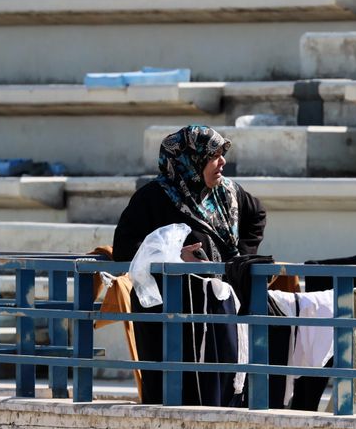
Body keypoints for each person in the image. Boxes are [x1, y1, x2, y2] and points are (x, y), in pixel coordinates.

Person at [113, 125, 267, 406]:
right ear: (190, 160)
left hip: (216, 308)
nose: (222, 162)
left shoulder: (226, 193)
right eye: (213, 156)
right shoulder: (153, 198)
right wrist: (172, 256)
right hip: (168, 313)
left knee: (219, 385)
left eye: (222, 154)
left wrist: (239, 258)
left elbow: (256, 215)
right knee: (172, 390)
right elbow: (125, 250)